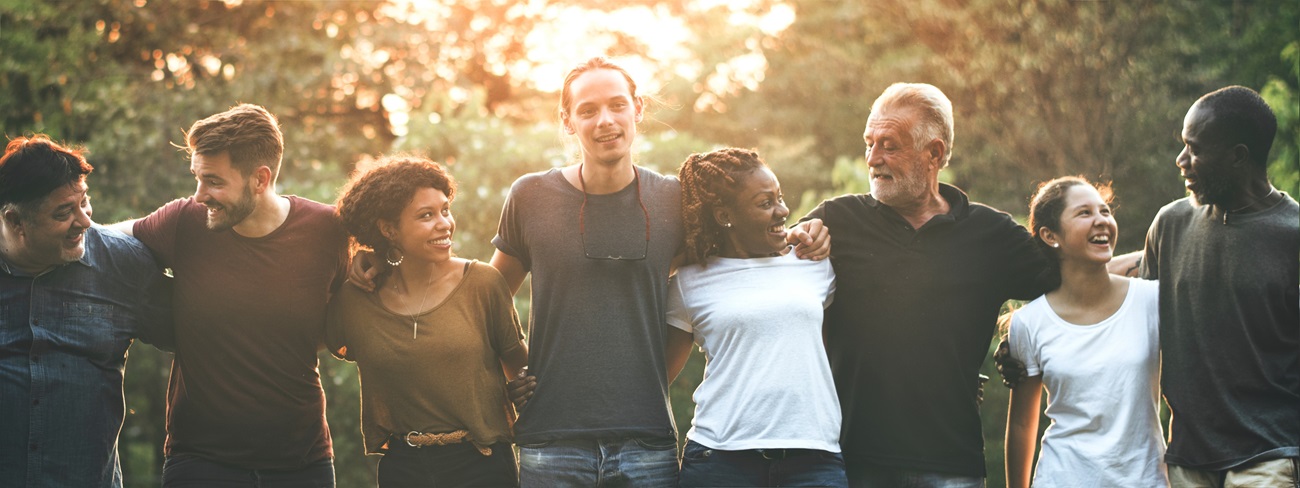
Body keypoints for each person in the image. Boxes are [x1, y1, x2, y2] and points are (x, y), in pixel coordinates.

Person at [802, 82, 1051, 486]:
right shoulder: (838, 219)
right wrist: (801, 238)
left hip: (952, 463)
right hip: (851, 460)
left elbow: (1072, 279)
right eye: (869, 143)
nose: (873, 158)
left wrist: (1020, 338)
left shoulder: (990, 234)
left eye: (889, 144)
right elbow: (769, 265)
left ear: (934, 153)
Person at [110, 104, 348, 486]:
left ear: (260, 179)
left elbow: (346, 314)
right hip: (200, 463)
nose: (200, 195)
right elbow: (101, 243)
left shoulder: (326, 232)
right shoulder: (183, 222)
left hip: (301, 464)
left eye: (214, 181)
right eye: (197, 178)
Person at [327, 156, 528, 487]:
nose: (444, 223)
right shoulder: (356, 299)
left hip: (483, 463)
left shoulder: (483, 283)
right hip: (403, 469)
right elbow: (313, 334)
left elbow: (521, 369)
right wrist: (356, 258)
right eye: (426, 215)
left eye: (445, 210)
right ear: (388, 229)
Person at [1139, 86, 1298, 486]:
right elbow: (1127, 316)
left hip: (1270, 454)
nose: (1181, 162)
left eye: (1194, 149)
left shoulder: (1293, 236)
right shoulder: (1170, 224)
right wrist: (1028, 333)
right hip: (1188, 456)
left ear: (1238, 156)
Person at [0, 135, 172, 488]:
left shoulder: (122, 264)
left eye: (84, 201)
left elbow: (204, 333)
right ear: (16, 221)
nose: (85, 221)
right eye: (64, 213)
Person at [669, 148, 846, 488]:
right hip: (720, 461)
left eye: (779, 198)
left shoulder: (813, 263)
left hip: (814, 460)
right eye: (766, 203)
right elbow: (659, 378)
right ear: (724, 215)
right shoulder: (690, 281)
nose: (783, 210)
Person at [1003, 177, 1166, 487]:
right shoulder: (1029, 322)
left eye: (1105, 211)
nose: (1101, 221)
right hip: (1061, 477)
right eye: (1085, 213)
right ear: (1051, 235)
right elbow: (1023, 424)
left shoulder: (1151, 300)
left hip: (1144, 480)